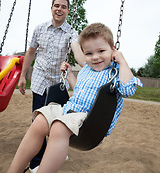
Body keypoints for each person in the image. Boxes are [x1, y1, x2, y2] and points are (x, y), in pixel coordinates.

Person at [8, 23, 142, 173]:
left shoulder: (116, 71)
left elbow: (128, 90)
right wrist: (70, 75)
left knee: (59, 127)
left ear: (113, 50)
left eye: (101, 51)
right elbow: (79, 90)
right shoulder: (86, 70)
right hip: (69, 111)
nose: (95, 57)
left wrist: (122, 62)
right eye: (89, 53)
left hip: (91, 121)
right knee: (39, 120)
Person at [18, 0, 85, 172]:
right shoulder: (40, 29)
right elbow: (31, 52)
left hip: (58, 83)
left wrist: (87, 62)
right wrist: (23, 75)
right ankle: (36, 162)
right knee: (39, 121)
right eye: (56, 5)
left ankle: (55, 152)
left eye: (63, 7)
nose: (59, 9)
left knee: (57, 123)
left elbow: (77, 50)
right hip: (40, 80)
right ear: (51, 8)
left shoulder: (71, 32)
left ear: (68, 11)